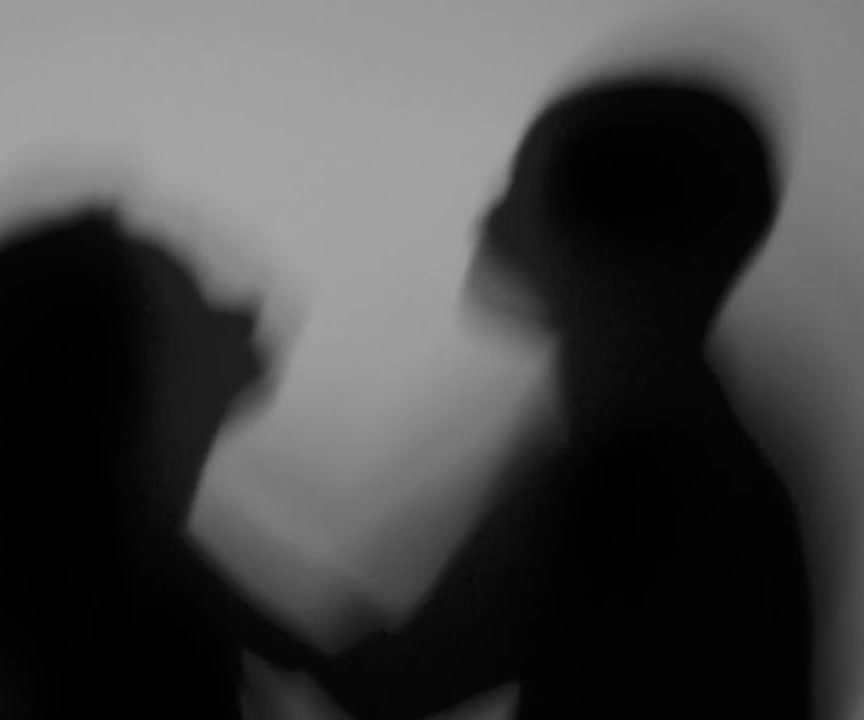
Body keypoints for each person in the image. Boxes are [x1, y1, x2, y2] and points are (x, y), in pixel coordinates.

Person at [310, 69, 814, 719]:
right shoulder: (699, 458)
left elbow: (391, 684)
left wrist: (186, 566)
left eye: (524, 189)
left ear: (604, 241)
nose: (490, 219)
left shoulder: (628, 478)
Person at [0, 202, 321, 719]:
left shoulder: (84, 593)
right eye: (185, 299)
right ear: (105, 384)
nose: (246, 313)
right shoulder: (127, 629)